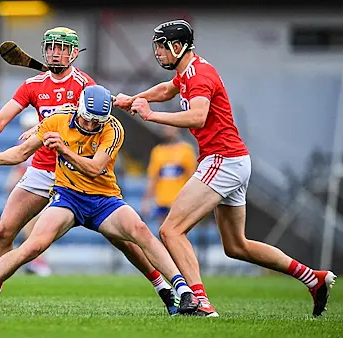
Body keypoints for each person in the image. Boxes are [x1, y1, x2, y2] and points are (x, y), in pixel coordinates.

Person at [114, 19, 336, 317]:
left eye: (162, 47)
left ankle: (201, 302)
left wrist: (151, 116)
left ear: (178, 47)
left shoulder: (199, 74)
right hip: (233, 160)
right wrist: (136, 98)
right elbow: (169, 89)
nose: (158, 53)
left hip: (223, 159)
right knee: (236, 246)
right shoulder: (187, 72)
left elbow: (198, 117)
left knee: (171, 230)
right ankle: (313, 278)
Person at [0, 27, 178, 315]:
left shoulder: (84, 84)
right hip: (43, 168)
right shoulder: (33, 85)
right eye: (51, 46)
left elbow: (99, 122)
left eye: (61, 48)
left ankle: (162, 286)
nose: (55, 52)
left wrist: (49, 124)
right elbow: (3, 117)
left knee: (124, 241)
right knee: (3, 231)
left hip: (79, 174)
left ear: (73, 53)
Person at [0, 85, 200, 314]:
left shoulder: (113, 128)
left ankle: (183, 292)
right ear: (80, 108)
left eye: (97, 123)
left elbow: (94, 168)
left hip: (104, 199)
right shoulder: (58, 121)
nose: (92, 126)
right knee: (33, 245)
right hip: (68, 197)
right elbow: (22, 152)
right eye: (88, 119)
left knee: (140, 231)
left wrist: (62, 149)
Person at [4, 110, 52, 276]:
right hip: (32, 187)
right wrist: (11, 183)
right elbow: (20, 167)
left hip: (45, 187)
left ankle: (38, 262)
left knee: (39, 226)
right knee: (31, 228)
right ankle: (35, 262)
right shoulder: (24, 144)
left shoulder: (46, 142)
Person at [142, 125, 196, 223]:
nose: (169, 130)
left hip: (179, 200)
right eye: (167, 127)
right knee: (163, 231)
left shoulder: (186, 150)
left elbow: (192, 177)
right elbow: (153, 177)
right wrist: (147, 200)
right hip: (162, 199)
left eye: (171, 127)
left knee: (177, 231)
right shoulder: (158, 151)